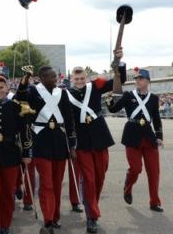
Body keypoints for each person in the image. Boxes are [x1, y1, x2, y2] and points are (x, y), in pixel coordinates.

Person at [66, 50, 125, 233]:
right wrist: (70, 143)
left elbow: (118, 81)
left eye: (82, 78)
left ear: (87, 77)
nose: (80, 82)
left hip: (100, 137)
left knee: (100, 176)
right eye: (76, 79)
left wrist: (118, 62)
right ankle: (92, 216)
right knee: (89, 180)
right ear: (71, 80)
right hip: (82, 142)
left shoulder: (96, 86)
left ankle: (93, 205)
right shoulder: (64, 95)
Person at [15, 66, 76, 234]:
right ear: (41, 77)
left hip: (59, 141)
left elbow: (69, 119)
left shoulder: (62, 93)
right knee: (47, 184)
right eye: (51, 76)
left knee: (56, 184)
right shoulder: (33, 91)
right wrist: (25, 79)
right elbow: (19, 98)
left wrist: (72, 144)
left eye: (55, 76)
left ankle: (55, 217)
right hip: (41, 140)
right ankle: (47, 220)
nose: (55, 79)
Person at [108, 67, 164, 212]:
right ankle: (128, 186)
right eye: (136, 79)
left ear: (148, 81)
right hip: (132, 135)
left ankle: (154, 202)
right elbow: (113, 109)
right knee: (136, 168)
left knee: (154, 171)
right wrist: (109, 99)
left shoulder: (153, 98)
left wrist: (159, 136)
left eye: (141, 79)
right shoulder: (128, 95)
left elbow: (157, 119)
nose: (137, 81)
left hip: (149, 136)